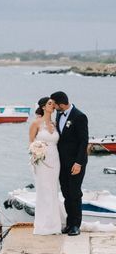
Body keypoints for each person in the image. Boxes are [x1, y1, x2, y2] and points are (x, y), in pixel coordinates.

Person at [50, 91, 89, 236]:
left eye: (54, 104)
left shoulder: (79, 116)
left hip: (75, 164)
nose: (53, 106)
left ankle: (75, 226)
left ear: (60, 104)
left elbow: (84, 141)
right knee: (66, 193)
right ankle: (69, 223)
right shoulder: (59, 114)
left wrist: (79, 163)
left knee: (75, 193)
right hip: (61, 163)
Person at [29, 97, 62, 235]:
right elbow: (30, 144)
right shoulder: (36, 123)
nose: (53, 106)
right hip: (41, 161)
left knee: (53, 190)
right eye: (50, 103)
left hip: (55, 160)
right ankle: (43, 225)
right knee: (43, 190)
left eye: (53, 104)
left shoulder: (55, 123)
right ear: (43, 107)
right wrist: (37, 153)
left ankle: (54, 225)